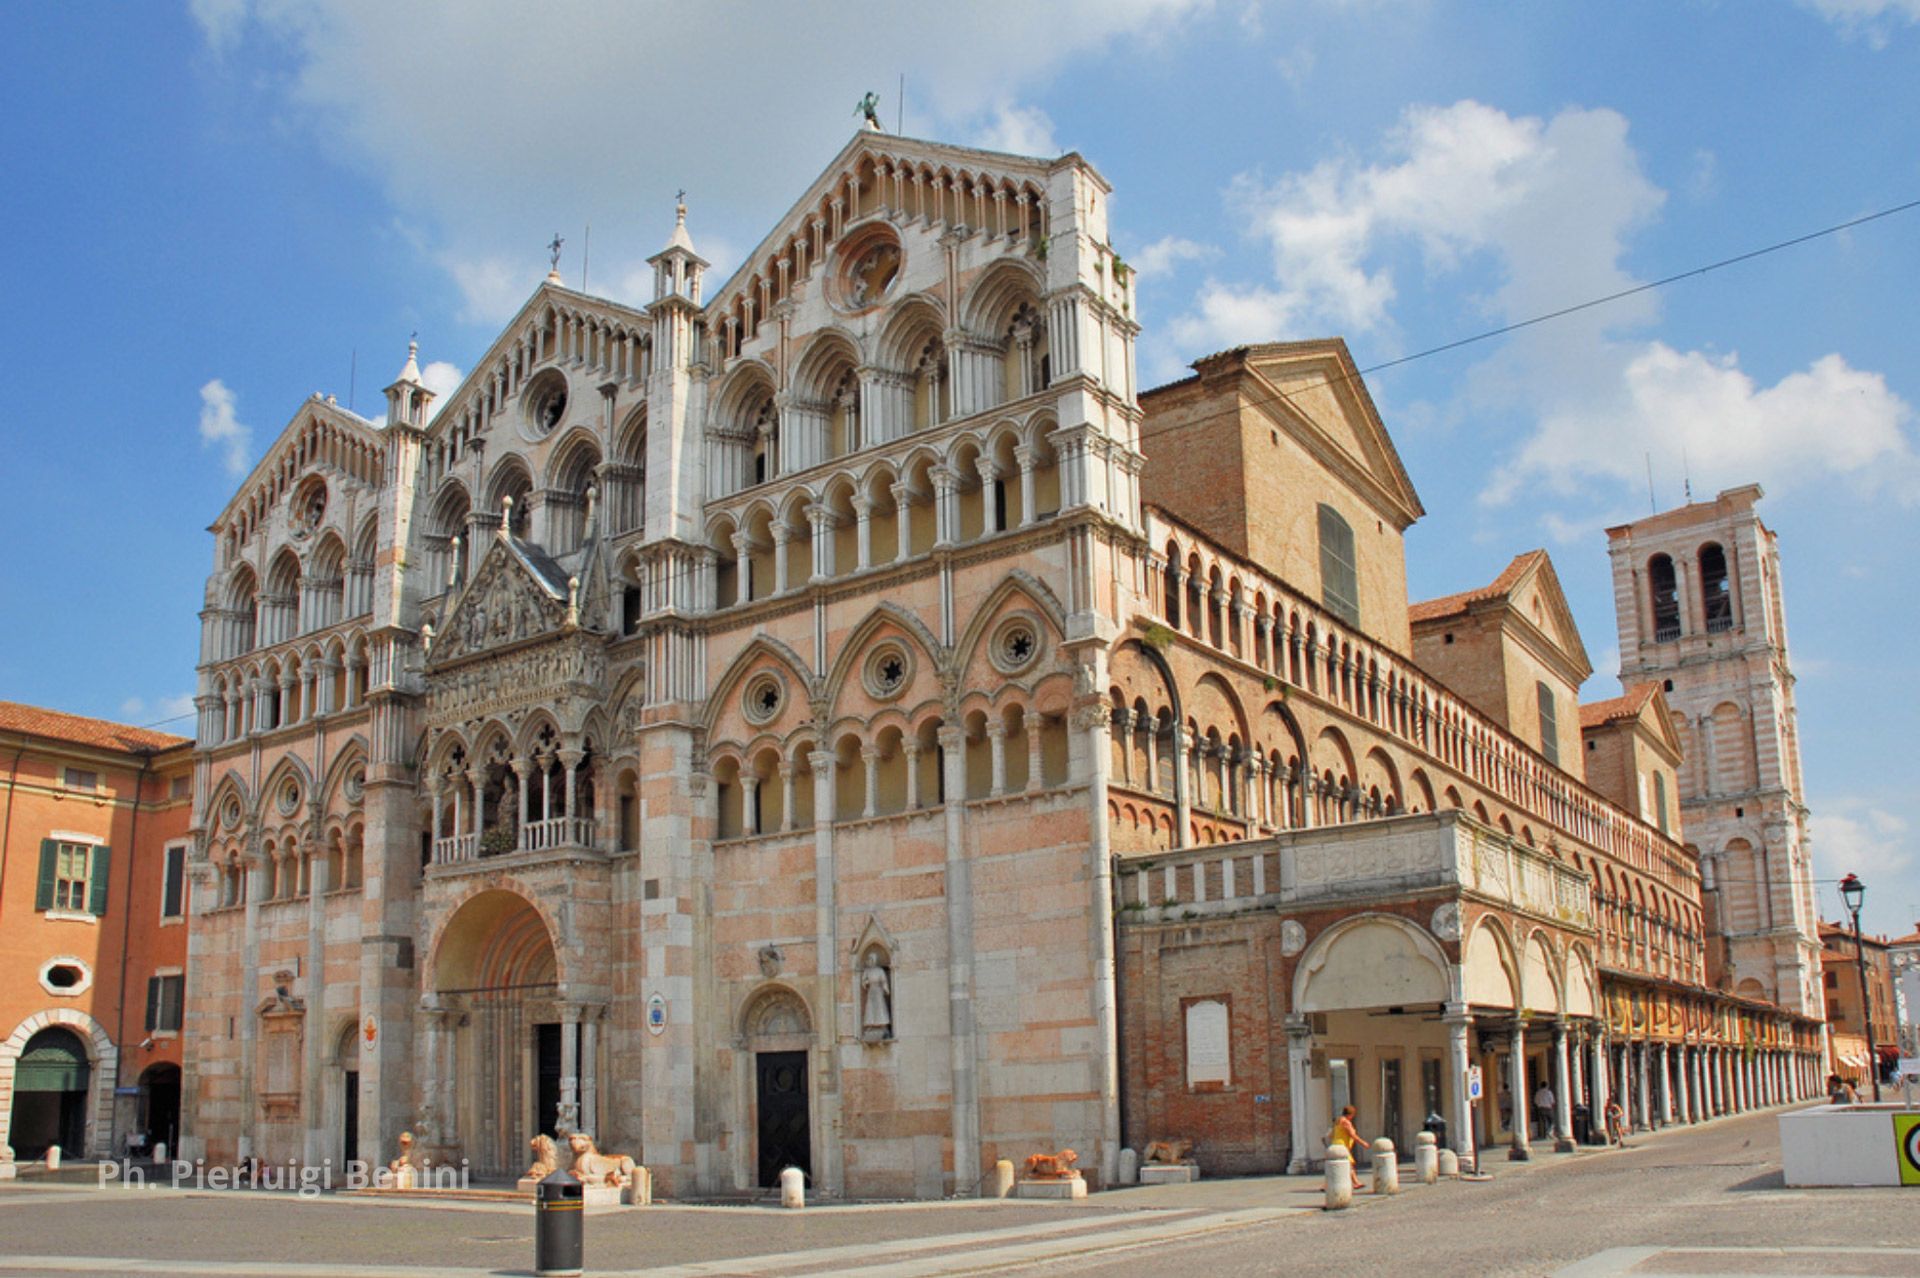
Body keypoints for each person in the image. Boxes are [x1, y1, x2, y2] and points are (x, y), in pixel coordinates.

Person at [1328, 1105, 1369, 1190]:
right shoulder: (1346, 1122)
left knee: (1343, 1165)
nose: (1352, 1117)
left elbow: (1331, 1134)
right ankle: (1356, 1182)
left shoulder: (1338, 1121)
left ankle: (1326, 1185)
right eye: (1353, 1115)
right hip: (1342, 1146)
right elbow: (1352, 1135)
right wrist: (1363, 1143)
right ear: (1350, 1114)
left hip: (1336, 1145)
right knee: (1349, 1165)